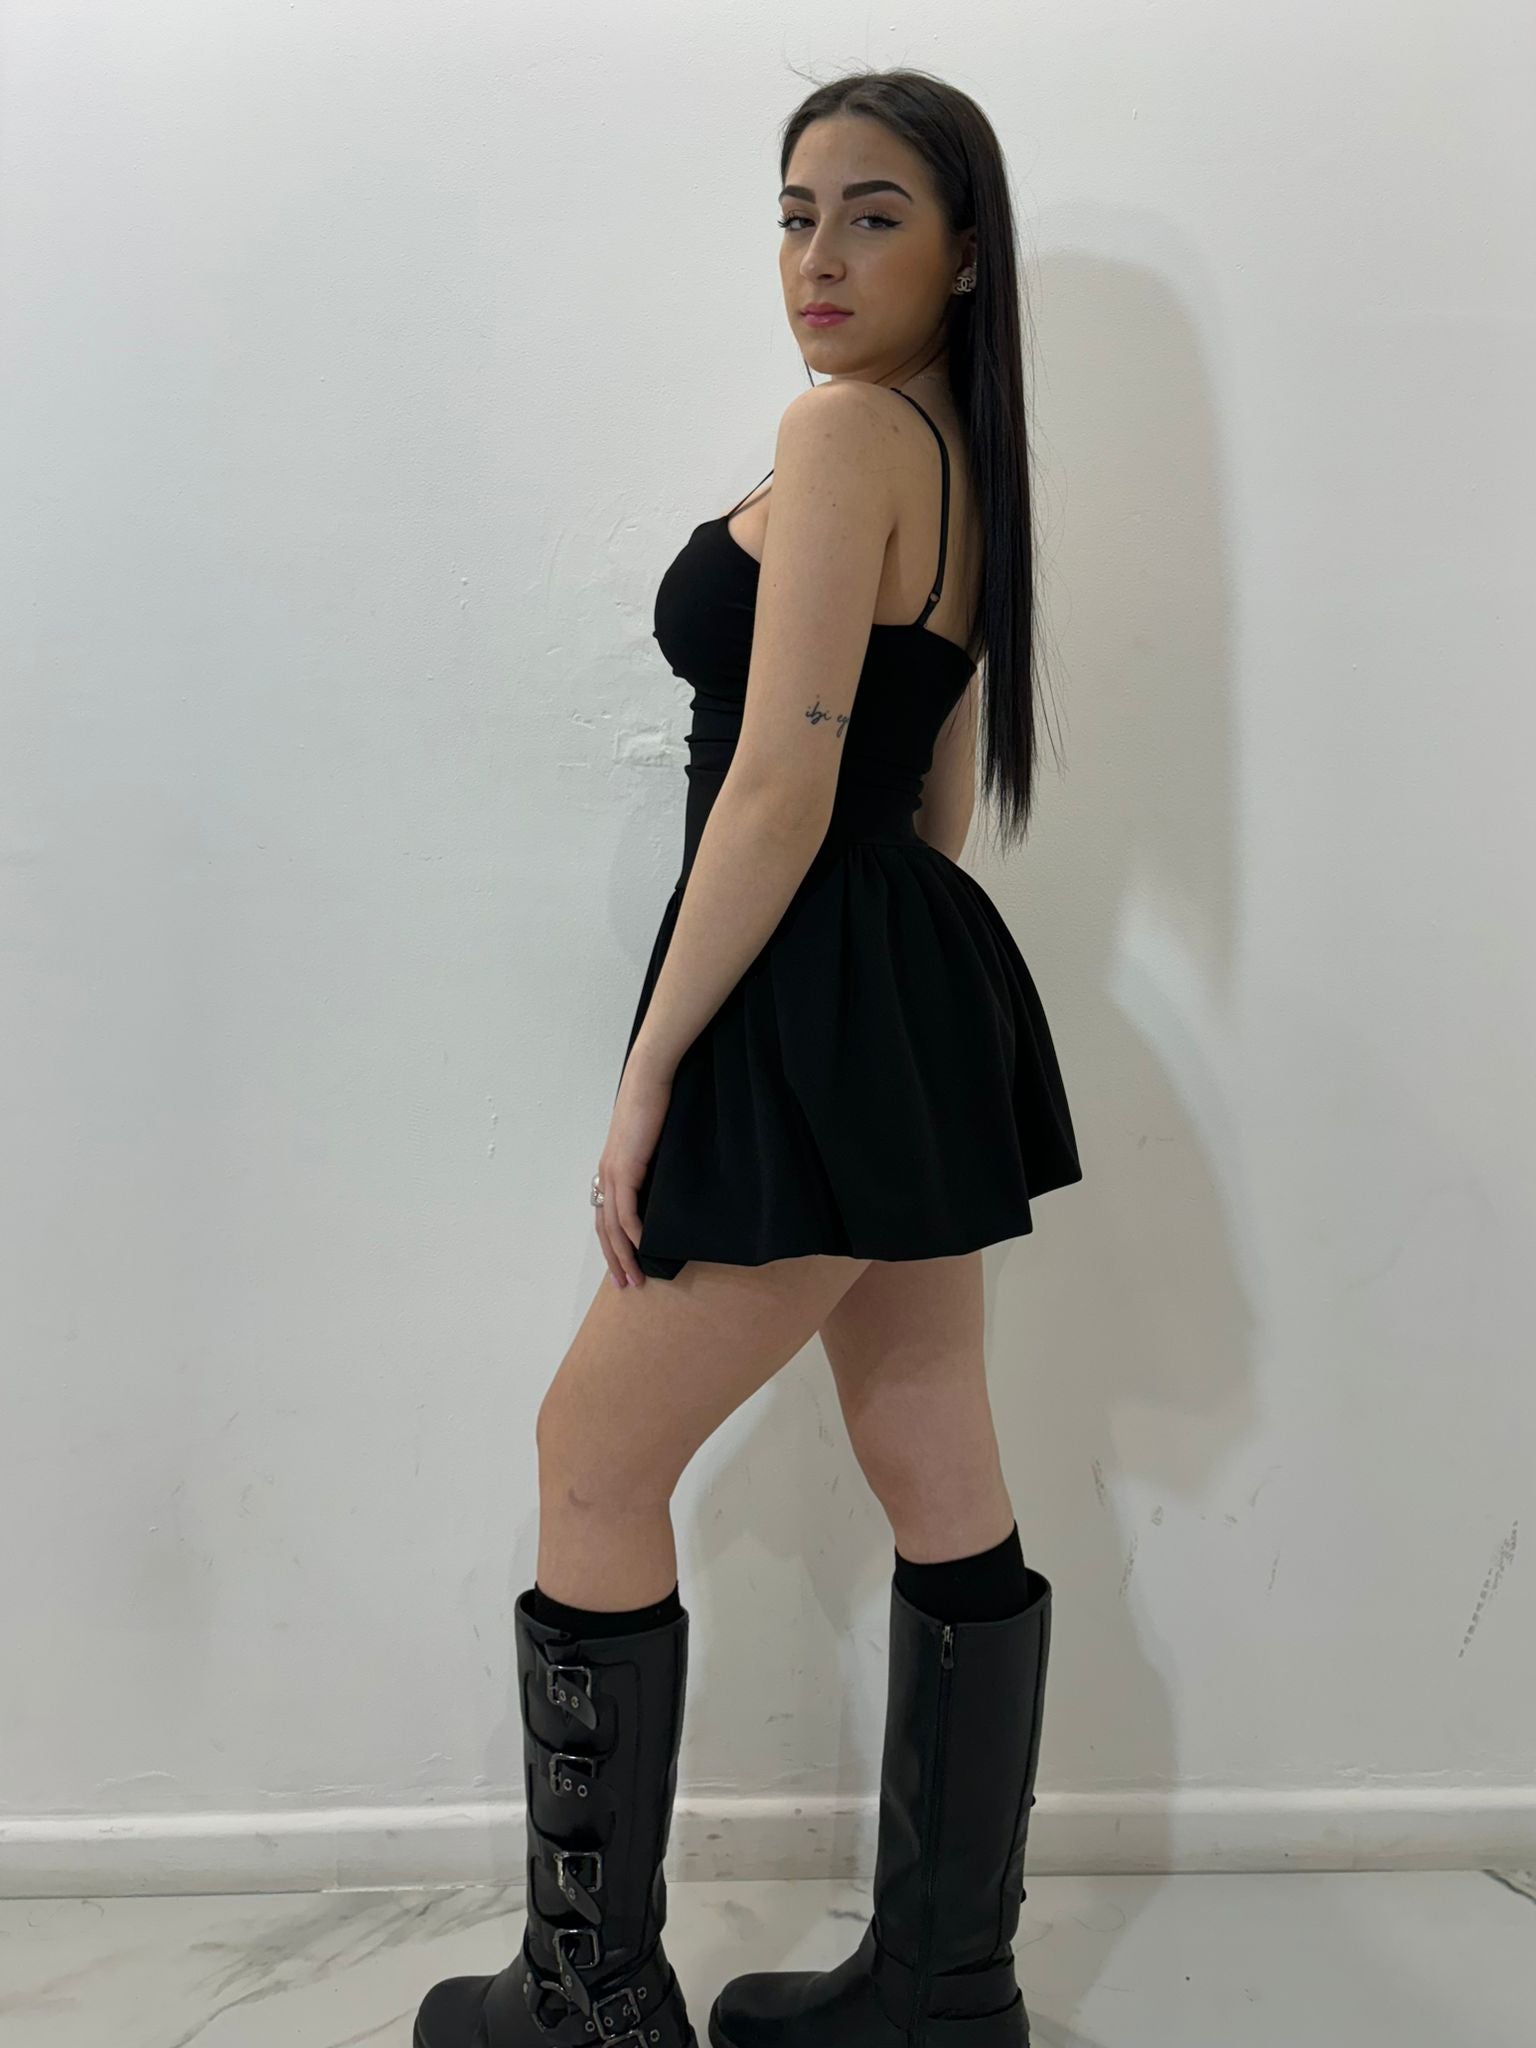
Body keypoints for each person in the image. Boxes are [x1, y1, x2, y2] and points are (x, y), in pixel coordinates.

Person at [416, 66, 1082, 2048]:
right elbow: (931, 793)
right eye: (796, 213)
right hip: (909, 986)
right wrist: (895, 1031)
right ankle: (944, 1993)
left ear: (966, 253)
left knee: (591, 1455)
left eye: (874, 213)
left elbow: (783, 787)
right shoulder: (966, 458)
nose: (819, 256)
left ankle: (588, 1999)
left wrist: (652, 1077)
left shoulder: (846, 430)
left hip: (804, 988)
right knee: (933, 1446)